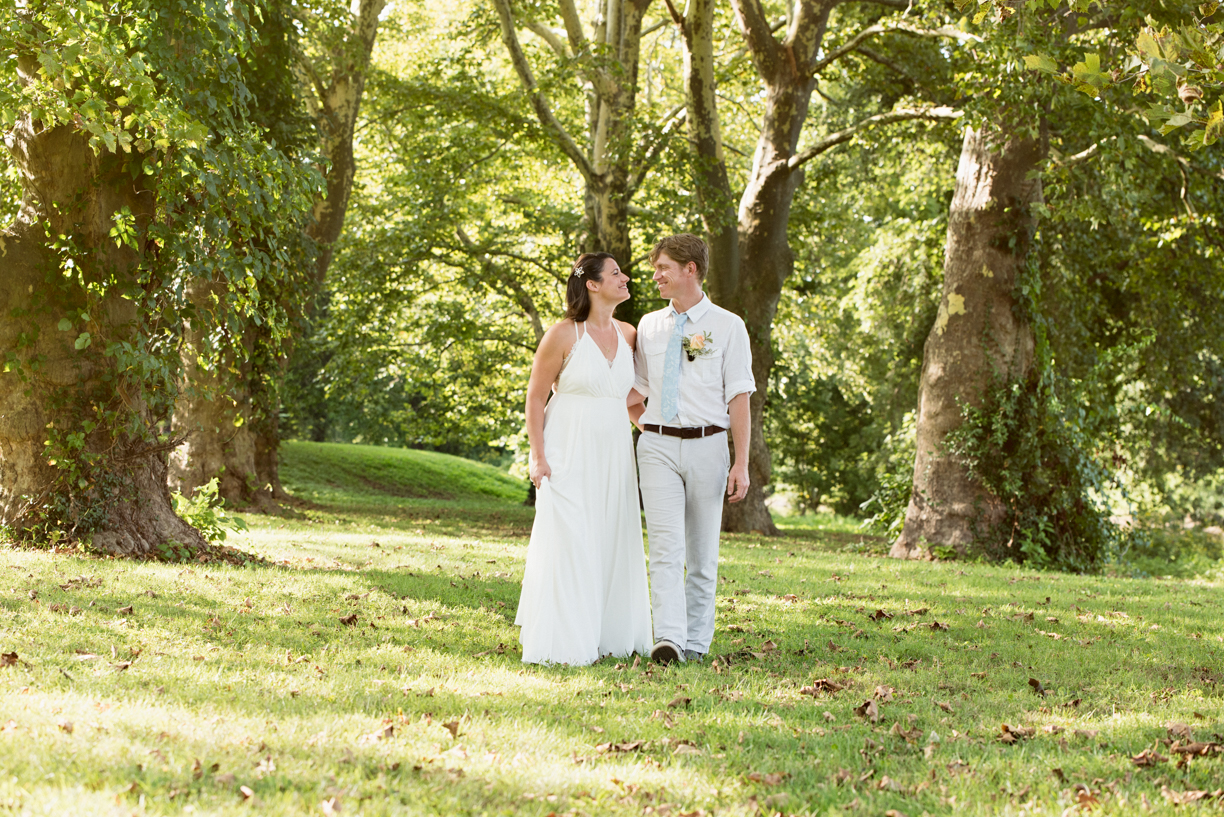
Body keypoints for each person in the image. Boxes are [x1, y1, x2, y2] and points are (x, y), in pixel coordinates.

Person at [515, 252, 653, 665]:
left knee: (610, 534)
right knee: (570, 537)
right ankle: (564, 640)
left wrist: (664, 438)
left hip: (613, 450)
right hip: (567, 447)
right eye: (615, 273)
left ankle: (608, 635)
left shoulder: (630, 334)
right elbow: (536, 398)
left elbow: (628, 399)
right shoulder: (563, 334)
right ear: (592, 284)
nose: (625, 278)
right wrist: (537, 458)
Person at [628, 234, 755, 664]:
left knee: (701, 554)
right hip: (658, 447)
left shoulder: (727, 325)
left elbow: (739, 396)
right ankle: (669, 640)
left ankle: (697, 644)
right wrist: (647, 430)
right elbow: (635, 390)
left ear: (690, 269)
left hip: (709, 446)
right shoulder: (648, 325)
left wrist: (741, 461)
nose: (655, 275)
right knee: (665, 548)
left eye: (663, 267)